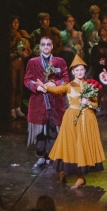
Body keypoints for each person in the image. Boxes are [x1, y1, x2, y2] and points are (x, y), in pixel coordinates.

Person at [32, 54, 107, 188]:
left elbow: (96, 104)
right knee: (70, 145)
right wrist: (45, 87)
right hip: (72, 119)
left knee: (82, 147)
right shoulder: (69, 85)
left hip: (87, 119)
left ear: (85, 71)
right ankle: (64, 171)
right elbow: (56, 89)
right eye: (77, 70)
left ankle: (80, 177)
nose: (80, 72)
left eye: (82, 70)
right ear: (73, 72)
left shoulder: (90, 85)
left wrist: (88, 103)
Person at [23, 36, 69, 169]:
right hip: (39, 102)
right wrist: (37, 87)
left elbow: (65, 78)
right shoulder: (33, 62)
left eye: (48, 44)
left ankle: (51, 156)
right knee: (40, 131)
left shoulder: (59, 61)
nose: (46, 47)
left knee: (53, 129)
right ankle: (41, 156)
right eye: (43, 44)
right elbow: (27, 80)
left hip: (55, 101)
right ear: (39, 46)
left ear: (52, 46)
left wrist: (54, 83)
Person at [8, 16, 30, 119]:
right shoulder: (9, 35)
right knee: (13, 86)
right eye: (14, 22)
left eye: (17, 22)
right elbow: (10, 49)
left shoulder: (20, 34)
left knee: (20, 85)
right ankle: (12, 109)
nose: (16, 24)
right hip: (13, 62)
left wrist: (26, 51)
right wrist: (17, 44)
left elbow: (25, 48)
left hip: (20, 62)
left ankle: (18, 107)